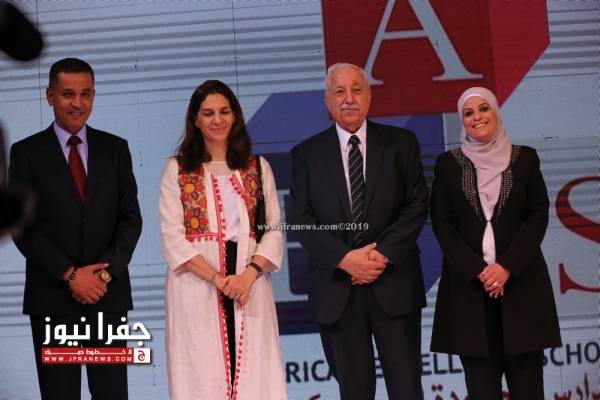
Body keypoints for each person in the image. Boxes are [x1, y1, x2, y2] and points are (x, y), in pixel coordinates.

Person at [288, 63, 429, 400]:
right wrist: (346, 259)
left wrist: (381, 255)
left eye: (356, 90)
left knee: (407, 389)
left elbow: (417, 205)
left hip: (394, 282)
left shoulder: (401, 143)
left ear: (369, 96)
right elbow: (300, 219)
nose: (348, 98)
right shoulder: (306, 155)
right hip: (338, 290)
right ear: (327, 100)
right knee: (354, 392)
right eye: (339, 91)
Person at [8, 58, 142, 400]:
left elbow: (130, 220)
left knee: (112, 395)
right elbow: (22, 227)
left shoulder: (116, 149)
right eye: (68, 94)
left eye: (85, 94)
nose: (77, 103)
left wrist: (103, 276)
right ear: (50, 95)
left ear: (94, 96)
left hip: (107, 297)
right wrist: (70, 275)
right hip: (52, 299)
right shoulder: (25, 153)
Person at [430, 87, 561, 399]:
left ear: (496, 112)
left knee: (528, 390)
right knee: (481, 391)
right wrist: (481, 271)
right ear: (462, 120)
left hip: (522, 289)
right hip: (470, 295)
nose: (477, 117)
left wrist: (506, 267)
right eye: (468, 113)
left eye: (484, 109)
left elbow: (537, 216)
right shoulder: (448, 164)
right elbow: (443, 225)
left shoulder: (525, 159)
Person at [159, 80, 287, 400]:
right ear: (195, 119)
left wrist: (246, 277)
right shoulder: (177, 170)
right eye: (208, 113)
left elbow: (273, 230)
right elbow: (173, 238)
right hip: (198, 283)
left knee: (255, 375)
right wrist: (218, 279)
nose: (217, 119)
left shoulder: (258, 167)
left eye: (224, 112)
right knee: (201, 375)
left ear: (235, 116)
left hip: (249, 282)